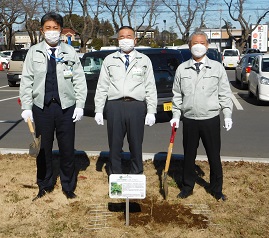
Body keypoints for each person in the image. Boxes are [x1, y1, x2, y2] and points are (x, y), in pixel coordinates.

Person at [19, 12, 87, 200]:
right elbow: (26, 81)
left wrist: (80, 105)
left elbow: (79, 80)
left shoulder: (69, 51)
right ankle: (44, 184)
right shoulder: (34, 52)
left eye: (55, 28)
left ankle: (68, 186)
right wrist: (26, 107)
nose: (52, 32)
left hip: (66, 108)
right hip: (42, 108)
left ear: (61, 30)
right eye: (48, 28)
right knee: (43, 149)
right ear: (42, 31)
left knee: (67, 148)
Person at [170, 30, 233, 201]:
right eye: (195, 43)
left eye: (202, 43)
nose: (198, 46)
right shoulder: (182, 69)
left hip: (210, 119)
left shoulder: (217, 67)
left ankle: (216, 189)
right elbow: (177, 95)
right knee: (189, 156)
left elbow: (225, 94)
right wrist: (176, 115)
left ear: (207, 45)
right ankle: (187, 186)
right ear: (190, 45)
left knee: (214, 155)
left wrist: (227, 114)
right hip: (189, 119)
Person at [94, 26, 157, 175]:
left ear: (135, 40)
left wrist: (151, 110)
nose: (125, 40)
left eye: (129, 37)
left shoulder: (144, 60)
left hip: (136, 106)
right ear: (117, 40)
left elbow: (150, 87)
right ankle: (115, 176)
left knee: (136, 144)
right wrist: (98, 109)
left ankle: (136, 174)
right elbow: (102, 86)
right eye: (122, 37)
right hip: (115, 106)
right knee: (115, 145)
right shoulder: (109, 60)